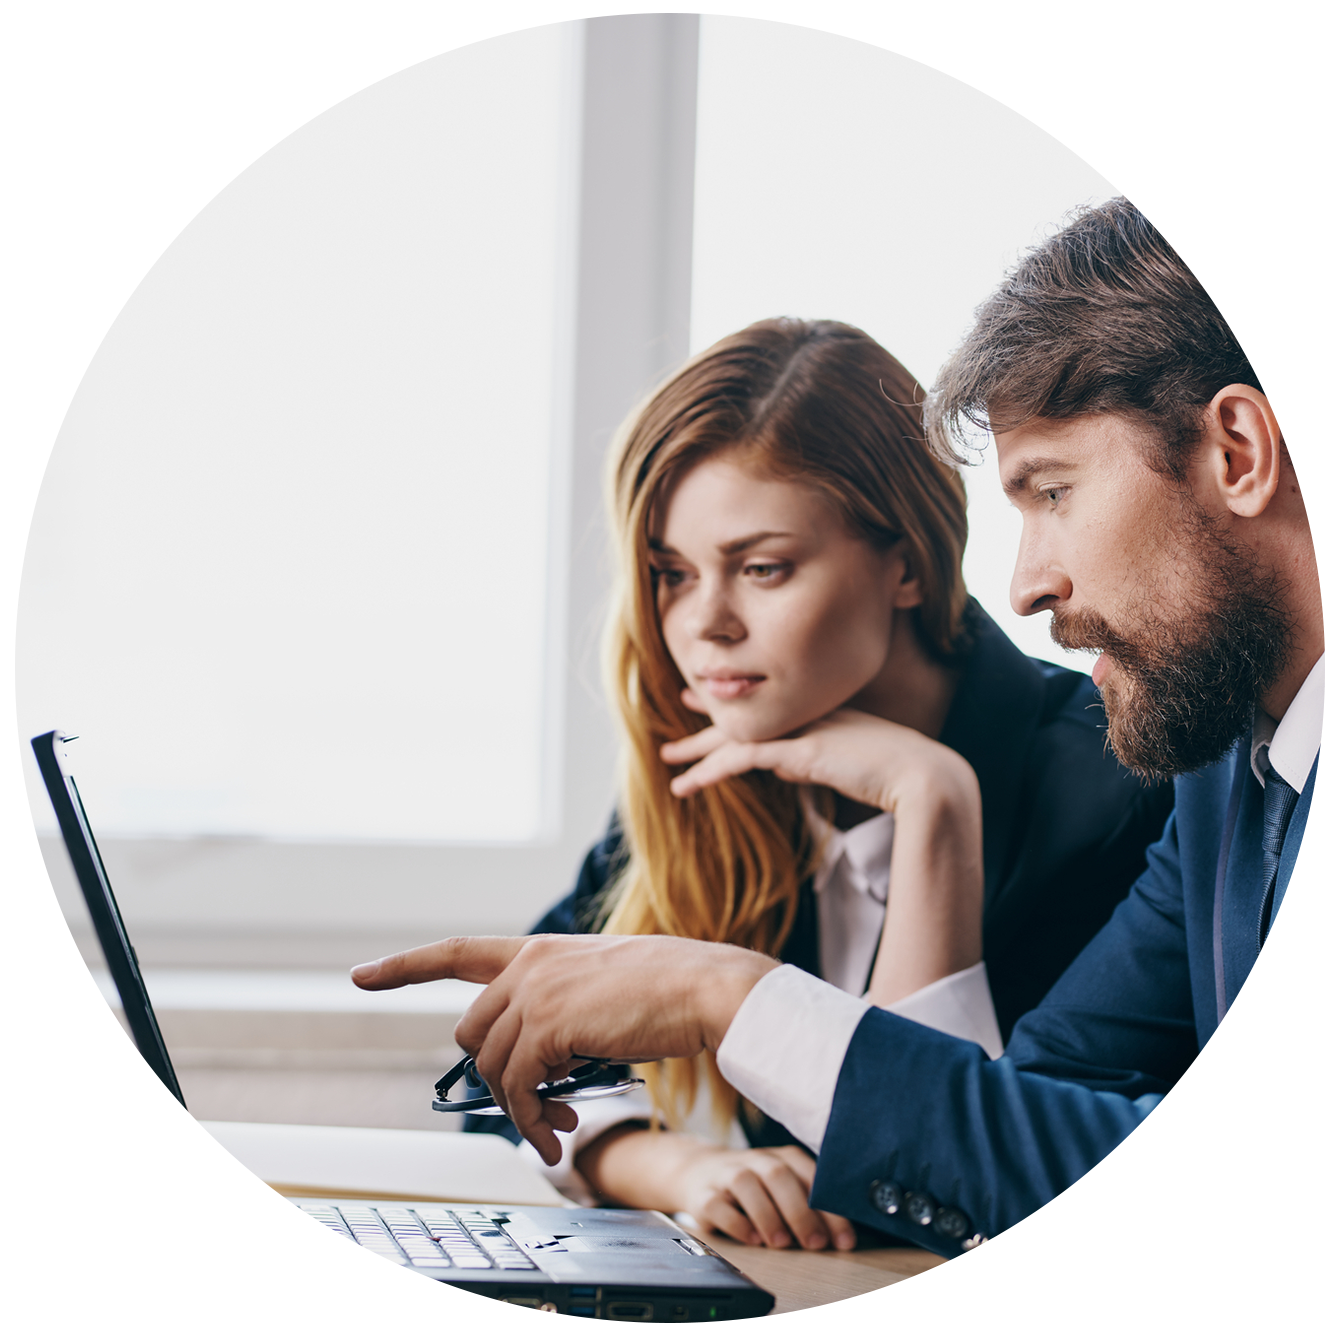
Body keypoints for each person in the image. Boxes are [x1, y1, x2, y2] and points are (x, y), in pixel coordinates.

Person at [353, 174, 1324, 1322]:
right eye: (669, 575)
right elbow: (1015, 1130)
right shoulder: (1229, 771)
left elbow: (1212, 1213)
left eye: (1050, 491)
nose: (1021, 584)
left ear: (1238, 450)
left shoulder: (1137, 767)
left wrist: (736, 999)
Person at [464, 317, 1171, 1253]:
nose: (705, 624)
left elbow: (969, 1184)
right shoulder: (717, 758)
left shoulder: (1123, 784)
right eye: (671, 574)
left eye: (762, 568)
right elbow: (496, 1064)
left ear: (909, 564)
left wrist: (931, 807)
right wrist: (672, 1165)